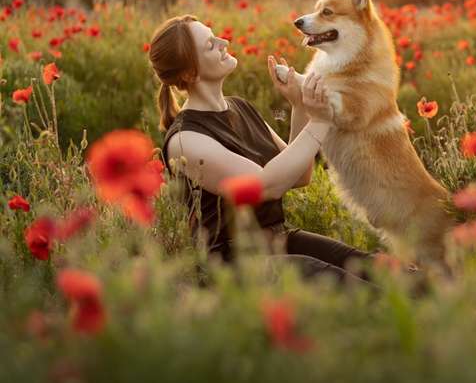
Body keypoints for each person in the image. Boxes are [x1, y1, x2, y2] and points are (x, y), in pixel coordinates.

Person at [148, 14, 378, 285]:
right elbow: (264, 186)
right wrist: (321, 121)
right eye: (210, 45)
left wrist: (299, 106)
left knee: (373, 267)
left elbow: (299, 176)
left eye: (216, 36)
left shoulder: (240, 108)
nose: (224, 42)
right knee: (351, 287)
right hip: (235, 266)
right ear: (189, 73)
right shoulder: (185, 139)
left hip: (278, 241)